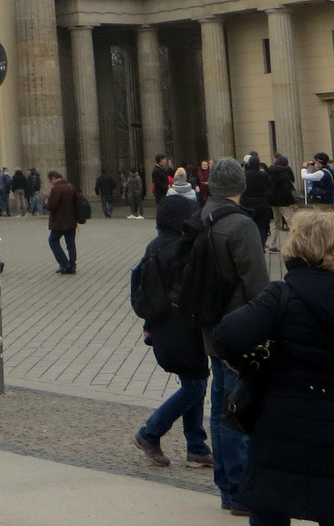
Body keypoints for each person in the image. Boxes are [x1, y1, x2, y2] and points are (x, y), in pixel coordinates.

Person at [214, 211, 334, 526]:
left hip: (283, 423)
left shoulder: (283, 294)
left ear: (298, 246)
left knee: (270, 510)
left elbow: (227, 335)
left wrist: (247, 364)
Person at [187, 157, 268, 516]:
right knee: (237, 412)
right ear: (240, 186)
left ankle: (226, 487)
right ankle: (239, 490)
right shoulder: (240, 225)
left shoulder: (200, 217)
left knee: (220, 411)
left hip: (210, 327)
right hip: (239, 330)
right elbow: (258, 285)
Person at [131, 193, 211, 469]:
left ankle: (197, 447)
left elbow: (150, 290)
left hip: (162, 326)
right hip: (183, 327)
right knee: (195, 385)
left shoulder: (155, 246)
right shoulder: (183, 248)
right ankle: (150, 433)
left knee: (194, 382)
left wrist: (148, 325)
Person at [44, 170, 78, 274]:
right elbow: (77, 203)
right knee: (70, 243)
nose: (51, 183)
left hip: (59, 221)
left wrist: (46, 204)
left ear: (53, 178)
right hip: (71, 220)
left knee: (53, 241)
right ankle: (72, 265)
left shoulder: (57, 189)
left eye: (50, 180)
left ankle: (64, 263)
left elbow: (52, 206)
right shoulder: (70, 187)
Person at [240, 154, 272, 249]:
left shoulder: (244, 175)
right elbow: (268, 188)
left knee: (248, 226)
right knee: (261, 227)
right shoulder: (264, 175)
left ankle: (250, 246)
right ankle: (261, 246)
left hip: (247, 204)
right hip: (262, 203)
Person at [266, 155, 297, 251]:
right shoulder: (284, 175)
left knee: (276, 224)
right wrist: (292, 202)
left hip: (273, 201)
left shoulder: (270, 172)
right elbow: (287, 190)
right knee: (292, 223)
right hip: (284, 202)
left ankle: (272, 244)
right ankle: (295, 244)